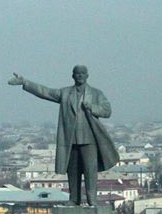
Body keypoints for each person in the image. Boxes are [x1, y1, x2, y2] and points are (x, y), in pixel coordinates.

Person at [9, 66, 120, 206]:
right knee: (73, 171)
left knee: (90, 171)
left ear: (87, 76)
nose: (79, 76)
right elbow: (45, 92)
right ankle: (74, 199)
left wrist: (92, 107)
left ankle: (92, 199)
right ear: (72, 76)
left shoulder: (96, 94)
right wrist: (25, 82)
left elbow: (107, 111)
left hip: (89, 139)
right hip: (70, 140)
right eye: (77, 74)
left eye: (82, 74)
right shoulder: (65, 93)